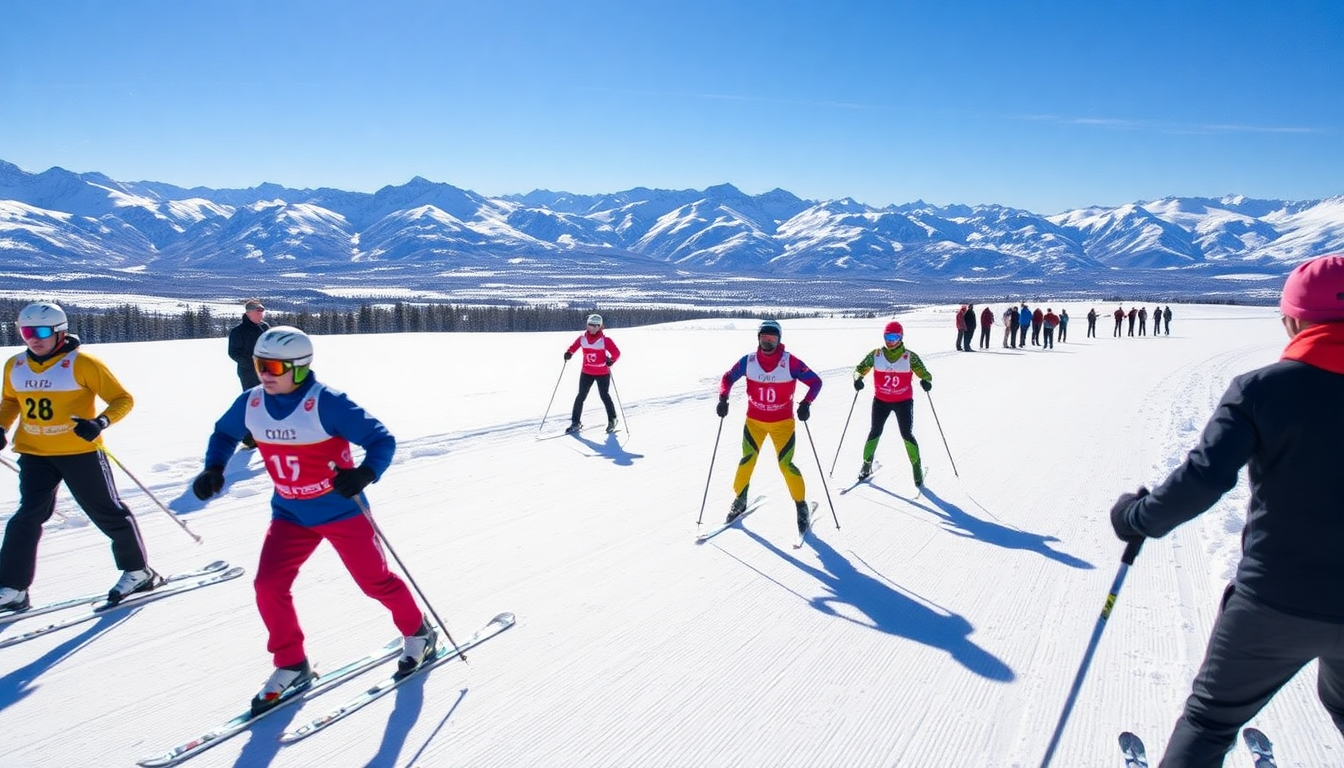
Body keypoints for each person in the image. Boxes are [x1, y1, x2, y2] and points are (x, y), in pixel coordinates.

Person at [1109, 254, 1344, 767]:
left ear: (1294, 320)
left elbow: (1203, 479)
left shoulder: (1262, 391)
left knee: (1211, 722)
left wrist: (1137, 517)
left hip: (1276, 598)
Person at [190, 326, 437, 715]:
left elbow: (381, 439)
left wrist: (366, 473)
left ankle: (419, 633)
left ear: (300, 368)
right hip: (290, 513)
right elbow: (223, 434)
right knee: (268, 585)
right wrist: (213, 469)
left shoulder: (327, 403)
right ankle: (291, 663)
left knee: (375, 582)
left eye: (273, 366)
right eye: (259, 365)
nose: (265, 374)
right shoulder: (251, 403)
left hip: (342, 510)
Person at [0, 301, 157, 612]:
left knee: (107, 512)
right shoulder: (14, 365)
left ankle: (138, 572)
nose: (34, 338)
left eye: (42, 331)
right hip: (35, 453)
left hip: (80, 452)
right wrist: (1, 425)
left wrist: (100, 422)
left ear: (61, 332)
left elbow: (122, 399)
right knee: (26, 517)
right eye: (27, 331)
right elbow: (10, 401)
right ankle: (13, 588)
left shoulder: (83, 363)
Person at [717, 320, 822, 535]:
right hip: (754, 422)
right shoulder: (749, 361)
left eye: (771, 339)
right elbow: (728, 377)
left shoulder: (790, 362)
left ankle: (801, 506)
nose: (767, 342)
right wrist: (723, 398)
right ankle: (740, 499)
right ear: (758, 339)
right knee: (747, 460)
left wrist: (806, 404)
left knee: (786, 465)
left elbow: (815, 382)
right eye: (763, 338)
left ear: (779, 340)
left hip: (782, 424)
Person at [852, 321, 932, 488]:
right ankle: (866, 464)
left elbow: (926, 374)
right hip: (881, 401)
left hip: (903, 402)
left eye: (894, 337)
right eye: (887, 337)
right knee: (875, 432)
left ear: (901, 338)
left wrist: (926, 381)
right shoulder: (876, 355)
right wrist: (857, 379)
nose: (890, 341)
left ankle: (916, 468)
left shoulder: (910, 357)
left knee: (906, 434)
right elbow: (859, 368)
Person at [563, 314, 621, 434]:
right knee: (580, 397)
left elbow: (616, 353)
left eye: (596, 325)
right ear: (587, 325)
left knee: (604, 396)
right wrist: (569, 353)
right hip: (586, 372)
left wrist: (611, 361)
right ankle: (575, 423)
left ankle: (613, 419)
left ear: (600, 327)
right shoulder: (582, 339)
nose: (592, 327)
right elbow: (573, 347)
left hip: (602, 373)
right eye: (590, 324)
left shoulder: (605, 341)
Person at [228, 299, 269, 449]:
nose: (261, 314)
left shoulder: (264, 327)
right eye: (258, 311)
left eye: (261, 311)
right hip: (248, 374)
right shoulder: (238, 331)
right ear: (248, 313)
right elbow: (233, 353)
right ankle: (249, 438)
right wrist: (252, 364)